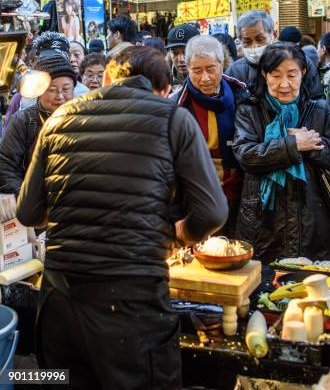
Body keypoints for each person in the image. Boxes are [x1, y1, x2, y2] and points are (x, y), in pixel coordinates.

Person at [16, 45, 228, 388]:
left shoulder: (59, 118)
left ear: (110, 77)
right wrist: (177, 236)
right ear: (162, 90)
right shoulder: (172, 117)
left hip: (58, 302)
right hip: (130, 306)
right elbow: (212, 211)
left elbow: (29, 212)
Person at [232, 42, 330, 264]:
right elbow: (245, 155)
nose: (284, 84)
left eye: (291, 74)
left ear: (303, 73)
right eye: (276, 75)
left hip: (314, 222)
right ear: (264, 74)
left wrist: (314, 145)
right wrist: (292, 145)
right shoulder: (249, 110)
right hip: (262, 221)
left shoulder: (319, 109)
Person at [171, 35, 249, 238]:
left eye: (211, 69)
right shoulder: (176, 105)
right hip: (198, 196)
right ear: (187, 68)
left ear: (221, 65)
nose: (204, 78)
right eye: (197, 71)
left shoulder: (242, 95)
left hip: (241, 190)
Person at [0, 54, 76, 194]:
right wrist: (27, 198)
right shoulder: (22, 121)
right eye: (52, 90)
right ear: (38, 91)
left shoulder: (83, 120)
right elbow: (5, 167)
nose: (60, 96)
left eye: (66, 89)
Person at [226, 11, 323, 99]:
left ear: (274, 35)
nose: (254, 46)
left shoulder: (299, 63)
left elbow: (316, 102)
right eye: (247, 41)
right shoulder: (234, 72)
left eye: (260, 39)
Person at [166, 23, 200, 90]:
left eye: (186, 52)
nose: (181, 59)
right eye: (175, 53)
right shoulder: (163, 81)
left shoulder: (217, 79)